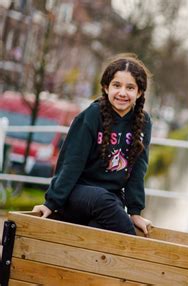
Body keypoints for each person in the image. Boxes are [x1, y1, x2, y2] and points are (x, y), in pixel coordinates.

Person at [33, 53, 153, 236]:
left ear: (139, 92)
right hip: (78, 193)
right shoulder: (91, 115)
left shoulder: (143, 122)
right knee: (104, 200)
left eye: (130, 87)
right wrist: (52, 203)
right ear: (106, 87)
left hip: (110, 200)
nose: (122, 92)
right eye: (116, 85)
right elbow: (71, 162)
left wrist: (135, 212)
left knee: (101, 230)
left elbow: (138, 169)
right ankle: (137, 251)